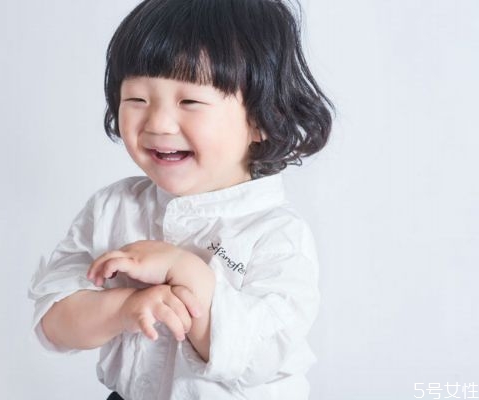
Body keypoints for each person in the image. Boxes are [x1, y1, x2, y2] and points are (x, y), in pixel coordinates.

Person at [28, 0, 333, 398]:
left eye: (189, 101)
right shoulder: (113, 208)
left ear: (262, 117)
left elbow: (260, 356)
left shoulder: (276, 233)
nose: (157, 123)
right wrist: (125, 308)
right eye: (137, 99)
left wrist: (182, 269)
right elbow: (53, 324)